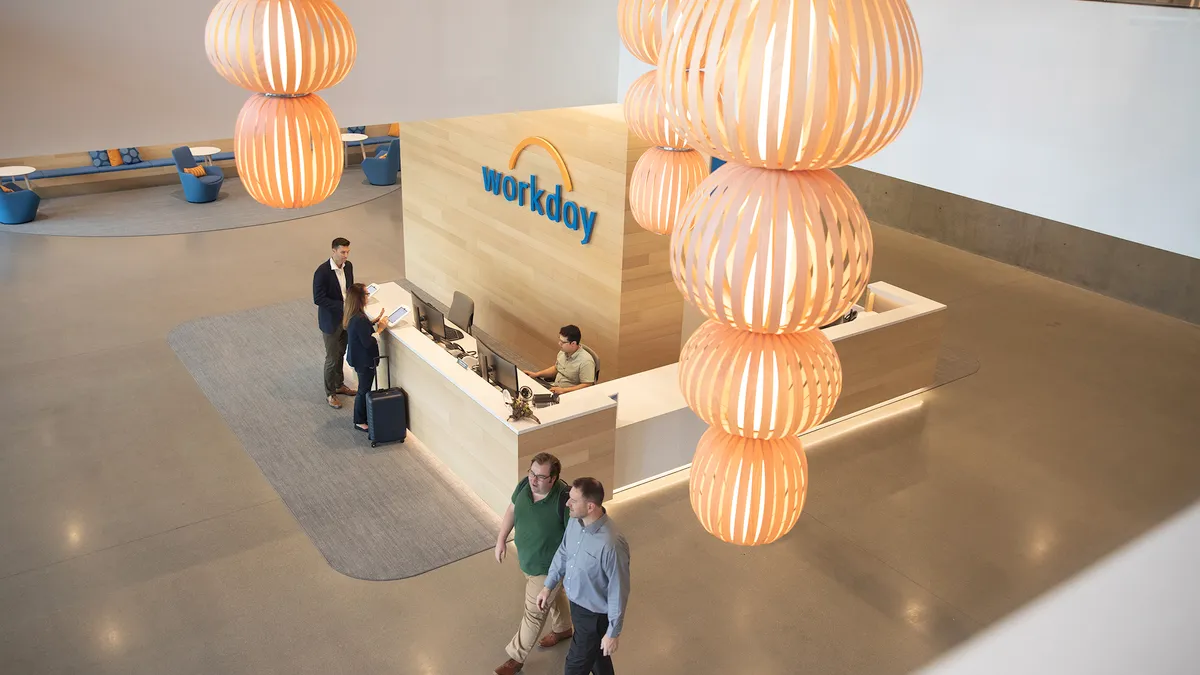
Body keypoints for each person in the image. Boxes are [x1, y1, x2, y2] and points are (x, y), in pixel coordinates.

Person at [538, 478, 630, 675]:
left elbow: (618, 590)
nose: (567, 503)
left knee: (574, 667)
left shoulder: (611, 544)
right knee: (598, 659)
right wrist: (548, 586)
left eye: (573, 500)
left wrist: (613, 632)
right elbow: (564, 552)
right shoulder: (574, 522)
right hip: (578, 607)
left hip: (594, 616)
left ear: (590, 506)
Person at [493, 453, 575, 675]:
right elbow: (511, 510)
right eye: (532, 473)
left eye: (540, 476)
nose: (533, 479)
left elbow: (573, 541)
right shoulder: (524, 485)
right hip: (527, 561)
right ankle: (564, 628)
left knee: (534, 612)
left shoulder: (565, 500)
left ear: (554, 478)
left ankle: (515, 659)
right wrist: (501, 539)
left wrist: (564, 574)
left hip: (548, 570)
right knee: (554, 598)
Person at [313, 237, 356, 408]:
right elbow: (318, 298)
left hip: (346, 319)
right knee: (331, 358)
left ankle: (339, 385)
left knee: (340, 354)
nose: (345, 256)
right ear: (334, 251)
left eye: (347, 252)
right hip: (331, 322)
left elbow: (349, 288)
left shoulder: (349, 266)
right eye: (342, 252)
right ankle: (330, 393)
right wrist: (342, 305)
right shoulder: (322, 272)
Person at [343, 283, 387, 432]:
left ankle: (361, 417)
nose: (368, 297)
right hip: (364, 360)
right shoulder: (360, 319)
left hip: (357, 358)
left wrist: (374, 321)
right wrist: (380, 330)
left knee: (364, 388)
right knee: (364, 390)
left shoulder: (354, 315)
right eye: (366, 294)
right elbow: (368, 342)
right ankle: (360, 420)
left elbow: (361, 331)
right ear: (360, 298)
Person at [522, 325, 596, 395]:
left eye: (563, 342)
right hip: (554, 388)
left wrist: (563, 390)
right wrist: (537, 374)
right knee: (526, 387)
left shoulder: (586, 361)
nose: (559, 343)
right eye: (559, 340)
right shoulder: (563, 352)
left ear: (573, 343)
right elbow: (556, 368)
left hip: (568, 394)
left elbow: (587, 385)